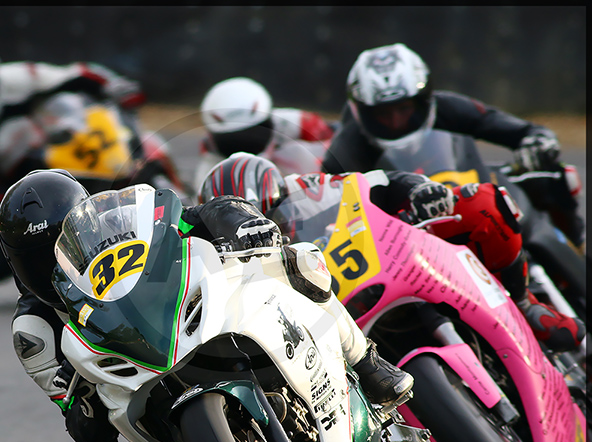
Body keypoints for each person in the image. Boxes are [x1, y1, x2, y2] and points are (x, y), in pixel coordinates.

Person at [0, 168, 414, 442]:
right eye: (39, 259)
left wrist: (238, 222)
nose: (55, 265)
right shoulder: (33, 330)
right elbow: (87, 433)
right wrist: (80, 408)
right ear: (17, 265)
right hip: (148, 401)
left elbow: (198, 214)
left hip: (191, 319)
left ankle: (367, 360)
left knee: (299, 260)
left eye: (64, 245)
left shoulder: (122, 227)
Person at [200, 153, 585, 353]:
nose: (266, 226)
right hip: (332, 320)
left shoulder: (311, 187)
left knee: (483, 203)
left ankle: (524, 302)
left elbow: (383, 182)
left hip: (388, 262)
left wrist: (419, 190)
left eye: (269, 212)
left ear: (280, 192)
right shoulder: (228, 265)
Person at [321, 42, 585, 250]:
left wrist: (537, 142)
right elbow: (331, 204)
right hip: (408, 233)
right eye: (383, 114)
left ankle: (578, 248)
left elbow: (523, 130)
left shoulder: (448, 107)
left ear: (425, 99)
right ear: (361, 111)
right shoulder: (346, 145)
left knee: (555, 177)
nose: (396, 121)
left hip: (474, 198)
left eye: (404, 108)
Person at [0, 40, 146, 283]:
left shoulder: (18, 77)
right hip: (10, 186)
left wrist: (113, 85)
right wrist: (19, 223)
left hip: (55, 151)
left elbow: (75, 75)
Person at [194, 76, 336, 189]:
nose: (246, 141)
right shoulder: (208, 176)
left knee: (298, 151)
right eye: (236, 138)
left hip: (298, 186)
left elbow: (337, 139)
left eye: (252, 131)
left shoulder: (294, 122)